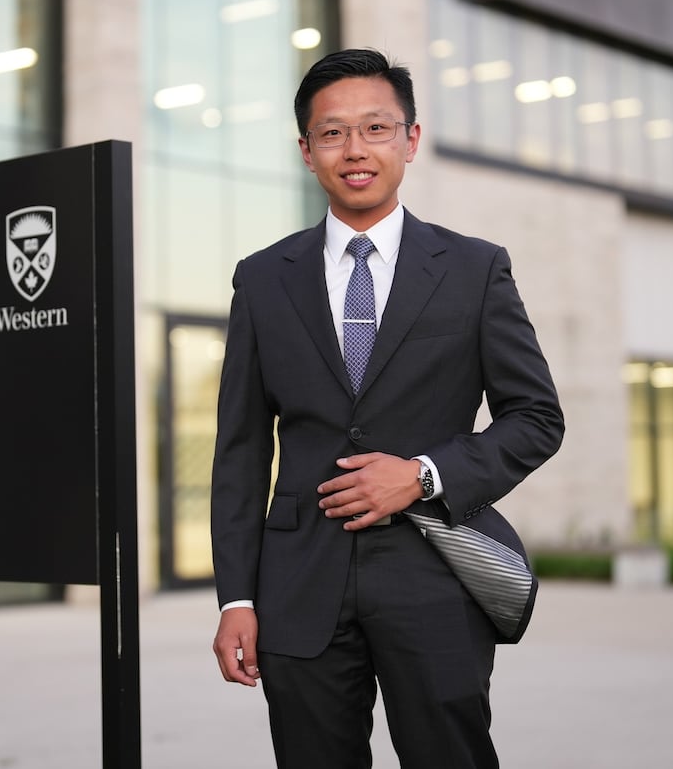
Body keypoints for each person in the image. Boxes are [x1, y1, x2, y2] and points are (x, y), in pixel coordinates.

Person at [210, 48, 564, 769]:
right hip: (299, 584)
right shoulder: (262, 278)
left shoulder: (474, 268)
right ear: (307, 151)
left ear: (410, 139)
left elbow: (536, 417)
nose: (356, 149)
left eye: (375, 127)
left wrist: (425, 474)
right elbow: (241, 452)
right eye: (333, 132)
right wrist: (234, 599)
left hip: (435, 578)